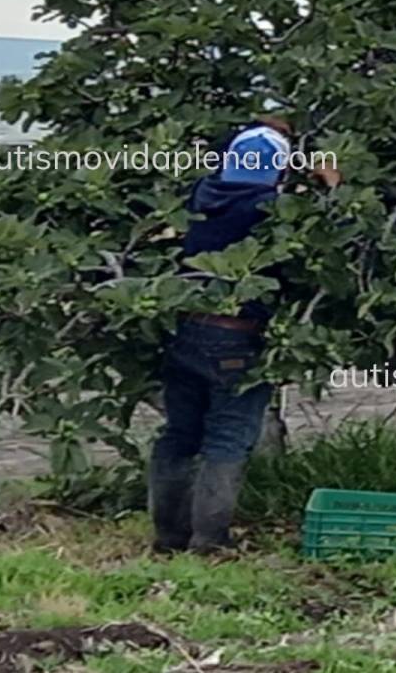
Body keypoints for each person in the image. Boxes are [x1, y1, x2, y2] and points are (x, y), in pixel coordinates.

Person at [148, 117, 338, 554]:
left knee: (179, 433)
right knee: (228, 437)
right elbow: (323, 231)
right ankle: (210, 542)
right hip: (236, 338)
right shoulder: (265, 209)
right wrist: (329, 186)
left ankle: (168, 539)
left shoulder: (203, 194)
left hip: (187, 328)